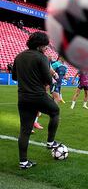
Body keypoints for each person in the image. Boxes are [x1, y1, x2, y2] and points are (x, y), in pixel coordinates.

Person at [12, 32, 62, 169]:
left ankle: (23, 162)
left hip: (23, 97)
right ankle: (50, 142)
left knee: (25, 129)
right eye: (45, 46)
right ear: (40, 45)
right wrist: (52, 80)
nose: (46, 48)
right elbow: (48, 80)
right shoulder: (42, 57)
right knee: (55, 112)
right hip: (38, 95)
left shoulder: (19, 56)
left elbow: (15, 77)